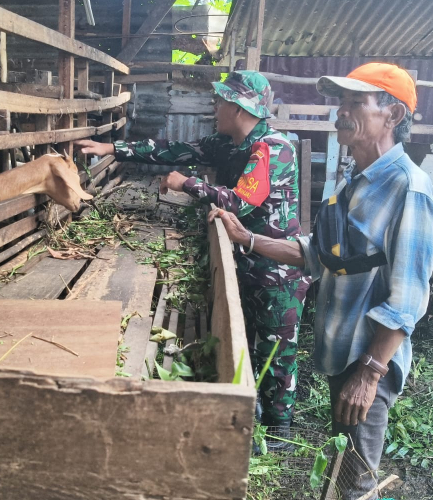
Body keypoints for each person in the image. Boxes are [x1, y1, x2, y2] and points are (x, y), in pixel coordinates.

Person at [210, 63, 433, 499]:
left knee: (356, 481)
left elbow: (409, 297)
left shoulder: (409, 188)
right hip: (340, 352)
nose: (342, 112)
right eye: (341, 101)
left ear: (391, 114)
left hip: (366, 357)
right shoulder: (355, 182)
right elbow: (319, 254)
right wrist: (249, 238)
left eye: (357, 102)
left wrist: (370, 373)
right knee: (342, 464)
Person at [76, 71, 311, 444]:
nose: (215, 107)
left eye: (221, 101)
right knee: (249, 341)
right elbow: (175, 150)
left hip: (276, 268)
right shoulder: (230, 143)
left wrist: (185, 183)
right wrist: (114, 149)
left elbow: (240, 201)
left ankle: (280, 435)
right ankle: (254, 416)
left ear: (238, 106)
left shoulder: (272, 147)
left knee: (277, 352)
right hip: (246, 259)